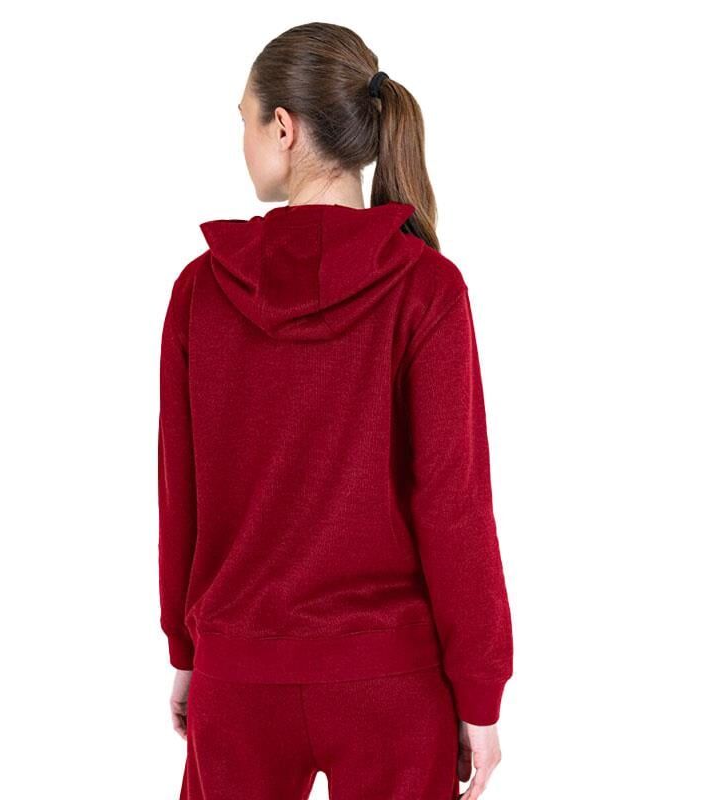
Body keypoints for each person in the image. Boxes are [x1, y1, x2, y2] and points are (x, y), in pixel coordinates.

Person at [158, 22, 513, 800]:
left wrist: (186, 653)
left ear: (283, 128)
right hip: (392, 681)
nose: (244, 141)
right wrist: (479, 693)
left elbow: (180, 496)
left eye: (246, 120)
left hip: (239, 674)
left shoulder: (199, 293)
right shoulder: (427, 289)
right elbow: (452, 506)